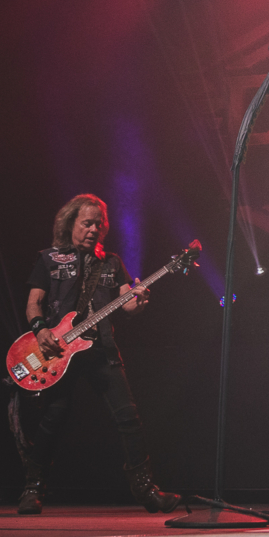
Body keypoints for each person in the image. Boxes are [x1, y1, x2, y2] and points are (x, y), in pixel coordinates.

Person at [11, 194, 179, 515]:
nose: (93, 229)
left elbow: (126, 303)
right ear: (70, 223)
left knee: (128, 418)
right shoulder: (49, 259)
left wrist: (138, 301)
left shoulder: (112, 263)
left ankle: (146, 490)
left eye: (98, 224)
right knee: (53, 419)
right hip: (60, 352)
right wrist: (41, 330)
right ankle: (32, 489)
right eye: (86, 223)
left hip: (100, 349)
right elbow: (34, 302)